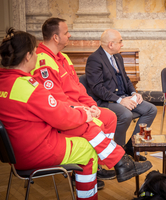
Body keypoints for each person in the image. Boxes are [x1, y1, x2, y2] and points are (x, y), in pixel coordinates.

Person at [0, 28, 152, 200]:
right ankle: (100, 182)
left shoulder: (5, 82)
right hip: (36, 149)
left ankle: (119, 161)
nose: (37, 56)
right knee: (87, 147)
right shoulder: (27, 87)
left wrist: (81, 110)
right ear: (27, 56)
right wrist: (85, 115)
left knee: (86, 126)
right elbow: (60, 118)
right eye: (34, 52)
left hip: (17, 148)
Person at [30, 17, 117, 183]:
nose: (69, 35)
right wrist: (85, 111)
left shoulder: (63, 57)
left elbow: (79, 88)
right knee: (97, 124)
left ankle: (97, 165)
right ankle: (81, 170)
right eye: (66, 32)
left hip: (80, 108)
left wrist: (92, 105)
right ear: (56, 37)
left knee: (110, 117)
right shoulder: (43, 62)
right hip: (66, 115)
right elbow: (57, 101)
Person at [85, 29, 157, 161]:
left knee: (151, 109)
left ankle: (131, 146)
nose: (122, 44)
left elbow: (126, 79)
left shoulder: (117, 56)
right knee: (125, 114)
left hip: (123, 97)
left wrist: (134, 93)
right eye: (120, 42)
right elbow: (97, 88)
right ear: (111, 44)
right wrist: (119, 100)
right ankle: (119, 154)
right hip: (105, 101)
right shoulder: (94, 59)